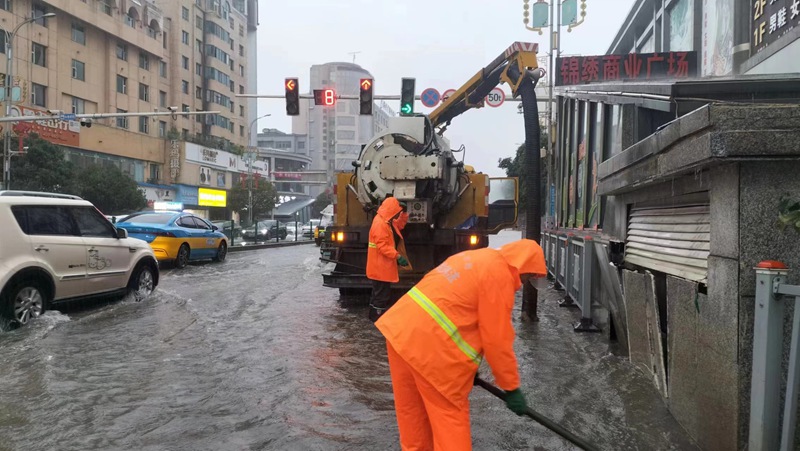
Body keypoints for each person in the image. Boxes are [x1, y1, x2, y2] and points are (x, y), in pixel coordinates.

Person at [375, 239, 547, 451]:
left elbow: (456, 309)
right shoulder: (499, 275)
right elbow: (497, 340)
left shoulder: (474, 257)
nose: (523, 282)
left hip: (400, 335)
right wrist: (511, 387)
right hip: (432, 355)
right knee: (451, 430)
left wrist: (468, 369)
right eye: (529, 276)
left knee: (414, 425)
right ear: (523, 267)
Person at [367, 197, 410, 322]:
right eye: (397, 212)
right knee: (381, 296)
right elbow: (383, 247)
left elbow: (400, 225)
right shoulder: (381, 225)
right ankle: (379, 320)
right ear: (392, 212)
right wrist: (398, 256)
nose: (397, 215)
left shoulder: (387, 222)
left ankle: (373, 317)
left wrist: (404, 213)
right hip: (380, 267)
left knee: (377, 294)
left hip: (380, 267)